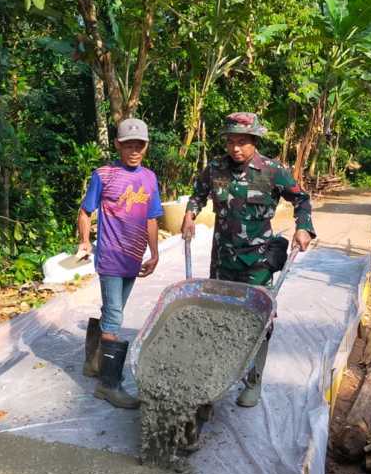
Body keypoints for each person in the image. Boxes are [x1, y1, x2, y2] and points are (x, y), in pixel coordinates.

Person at [180, 112, 315, 412]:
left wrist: (303, 226)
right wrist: (190, 214)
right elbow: (197, 195)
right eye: (231, 142)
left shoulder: (272, 171)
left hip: (257, 263)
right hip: (223, 260)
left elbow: (301, 199)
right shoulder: (215, 168)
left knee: (258, 321)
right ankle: (214, 379)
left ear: (254, 141)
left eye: (242, 142)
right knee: (218, 318)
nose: (235, 148)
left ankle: (253, 380)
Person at [78, 118, 163, 409]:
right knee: (114, 316)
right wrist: (85, 241)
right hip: (111, 255)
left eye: (139, 145)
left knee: (113, 311)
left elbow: (152, 218)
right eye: (128, 145)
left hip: (133, 257)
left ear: (146, 146)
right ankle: (109, 385)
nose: (134, 150)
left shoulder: (150, 178)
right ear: (118, 144)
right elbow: (85, 210)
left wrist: (154, 253)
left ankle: (93, 363)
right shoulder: (104, 175)